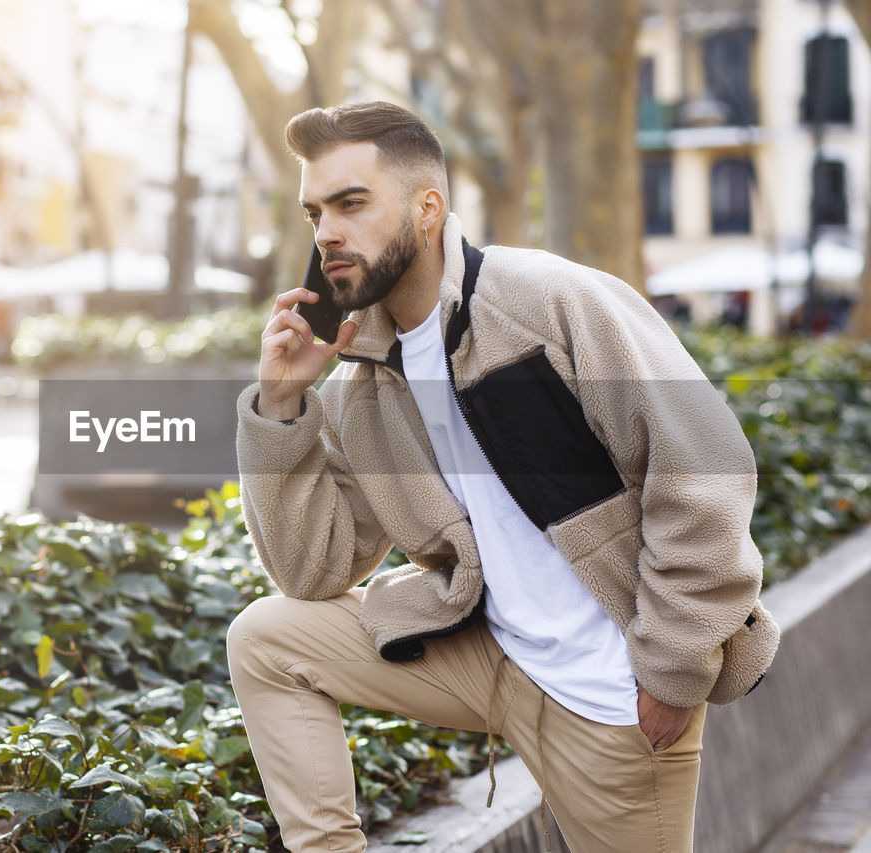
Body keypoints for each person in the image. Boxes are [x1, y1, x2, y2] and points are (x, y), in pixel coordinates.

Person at [230, 101, 779, 852]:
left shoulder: (552, 301)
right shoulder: (363, 384)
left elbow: (704, 468)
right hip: (488, 655)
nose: (327, 232)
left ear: (428, 209)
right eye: (315, 212)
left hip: (613, 691)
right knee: (266, 638)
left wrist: (670, 670)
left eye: (351, 203)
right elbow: (310, 569)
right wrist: (281, 406)